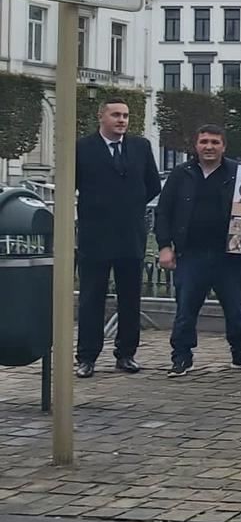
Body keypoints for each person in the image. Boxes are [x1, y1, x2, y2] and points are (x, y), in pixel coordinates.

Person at [155, 125, 241, 376]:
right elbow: (164, 211)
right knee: (185, 310)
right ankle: (181, 357)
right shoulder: (181, 174)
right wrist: (164, 247)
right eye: (204, 141)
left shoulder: (239, 173)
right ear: (196, 145)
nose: (209, 146)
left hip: (230, 254)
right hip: (191, 253)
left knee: (236, 309)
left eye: (214, 142)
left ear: (224, 146)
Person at [74, 98, 162, 377]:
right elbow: (71, 183)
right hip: (95, 235)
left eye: (125, 115)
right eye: (115, 115)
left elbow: (152, 185)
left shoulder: (140, 147)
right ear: (101, 117)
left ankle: (126, 354)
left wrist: (130, 206)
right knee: (91, 298)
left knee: (130, 297)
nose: (122, 120)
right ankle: (86, 357)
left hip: (130, 234)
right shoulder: (82, 148)